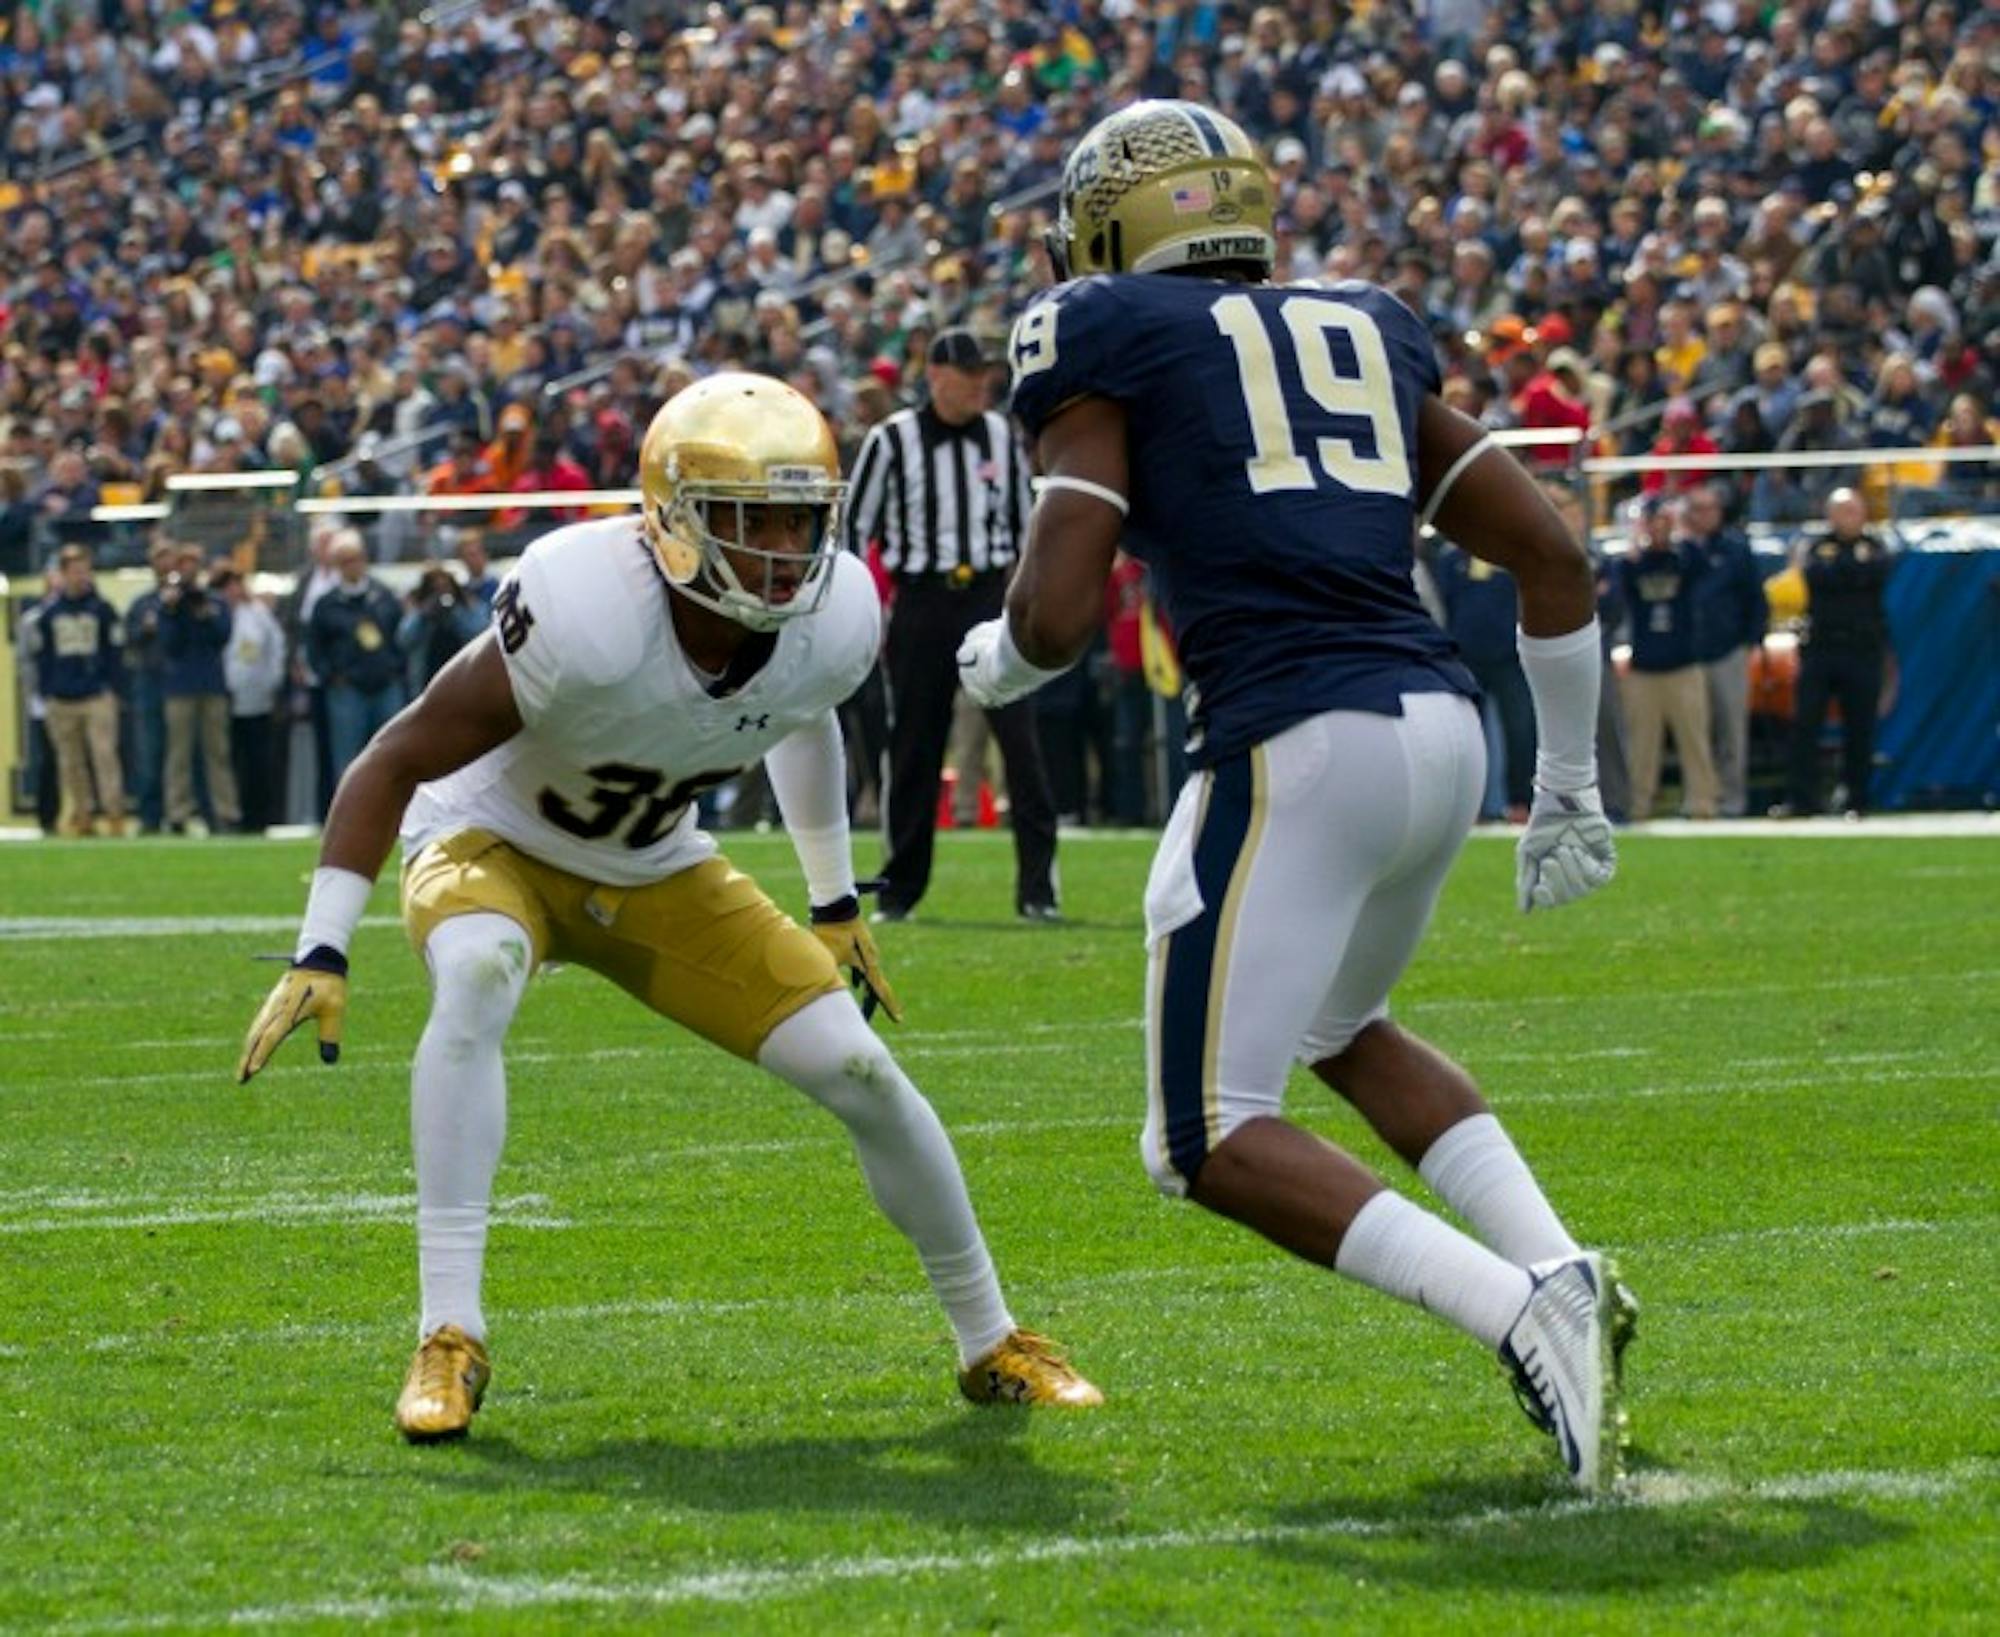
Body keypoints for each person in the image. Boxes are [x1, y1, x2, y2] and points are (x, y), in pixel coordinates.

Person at [957, 102, 1630, 1492]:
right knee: (1343, 1024)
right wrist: (1567, 780)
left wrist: (998, 664)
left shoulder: (1105, 334)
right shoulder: (1367, 326)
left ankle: (1521, 1312)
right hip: (1442, 732)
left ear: (1119, 225)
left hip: (1296, 739)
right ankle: (1562, 1263)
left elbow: (1059, 609)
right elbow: (1553, 557)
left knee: (1202, 1131)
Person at [237, 374, 1099, 1442]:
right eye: (757, 519)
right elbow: (396, 753)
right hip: (493, 840)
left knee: (860, 1068)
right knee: (474, 974)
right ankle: (447, 1333)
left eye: (802, 517)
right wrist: (322, 942)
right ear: (675, 520)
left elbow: (801, 713)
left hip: (654, 865)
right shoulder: (584, 600)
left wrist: (833, 900)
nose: (788, 546)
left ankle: (990, 1339)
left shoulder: (833, 613)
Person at [842, 328, 1059, 922]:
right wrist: (861, 608)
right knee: (913, 745)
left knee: (1021, 743)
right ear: (936, 376)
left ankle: (1039, 890)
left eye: (984, 373)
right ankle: (900, 891)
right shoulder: (892, 441)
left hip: (988, 599)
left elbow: (1024, 524)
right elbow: (856, 531)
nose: (981, 385)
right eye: (969, 375)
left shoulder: (999, 433)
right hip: (921, 604)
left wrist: (1024, 601)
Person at [1777, 487, 1893, 818]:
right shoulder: (1815, 545)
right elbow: (1816, 576)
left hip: (1861, 648)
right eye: (1842, 511)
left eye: (1854, 511)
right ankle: (1802, 799)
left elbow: (1876, 574)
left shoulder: (1876, 545)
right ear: (1829, 515)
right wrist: (1851, 570)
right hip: (1822, 648)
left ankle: (1856, 799)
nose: (1848, 518)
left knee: (1860, 726)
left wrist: (1844, 572)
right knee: (1805, 725)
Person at [1616, 497, 1721, 821]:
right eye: (1653, 521)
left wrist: (1682, 531)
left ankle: (1702, 805)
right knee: (1642, 747)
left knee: (1695, 742)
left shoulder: (1686, 557)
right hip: (1644, 668)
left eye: (1664, 520)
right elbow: (1617, 590)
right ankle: (1639, 805)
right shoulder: (1632, 563)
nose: (1659, 527)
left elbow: (1702, 565)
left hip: (1684, 666)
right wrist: (1634, 543)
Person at [1683, 484, 1768, 817]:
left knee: (1732, 731)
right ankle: (1701, 799)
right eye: (1698, 509)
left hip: (1728, 649)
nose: (1705, 516)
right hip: (1688, 655)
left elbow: (1754, 599)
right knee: (1694, 734)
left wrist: (1750, 641)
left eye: (1710, 508)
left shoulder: (1736, 549)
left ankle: (1733, 798)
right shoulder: (1681, 551)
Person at [32, 546, 126, 836]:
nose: (80, 577)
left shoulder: (102, 609)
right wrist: (48, 691)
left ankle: (113, 812)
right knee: (70, 763)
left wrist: (112, 687)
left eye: (85, 571)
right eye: (74, 571)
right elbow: (41, 657)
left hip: (96, 693)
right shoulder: (48, 614)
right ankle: (82, 814)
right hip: (62, 697)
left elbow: (114, 651)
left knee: (104, 756)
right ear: (62, 574)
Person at [308, 531, 407, 785]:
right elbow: (314, 647)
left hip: (386, 684)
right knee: (348, 760)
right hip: (347, 689)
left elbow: (402, 636)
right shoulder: (326, 604)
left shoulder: (385, 595)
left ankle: (395, 818)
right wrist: (331, 674)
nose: (353, 566)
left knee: (393, 753)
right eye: (345, 561)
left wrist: (395, 668)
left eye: (356, 558)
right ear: (337, 566)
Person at [160, 550, 242, 835]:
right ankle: (177, 812)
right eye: (183, 565)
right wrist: (171, 611)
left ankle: (225, 810)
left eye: (193, 565)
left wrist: (206, 615)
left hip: (211, 683)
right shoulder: (170, 603)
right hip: (180, 685)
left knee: (217, 752)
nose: (189, 571)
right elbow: (168, 644)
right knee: (179, 753)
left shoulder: (215, 602)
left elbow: (224, 636)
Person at [217, 566, 288, 834]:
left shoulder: (258, 615)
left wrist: (273, 680)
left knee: (258, 759)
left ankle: (259, 814)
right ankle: (233, 813)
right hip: (224, 698)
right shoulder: (216, 614)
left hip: (258, 697)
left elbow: (276, 647)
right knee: (230, 760)